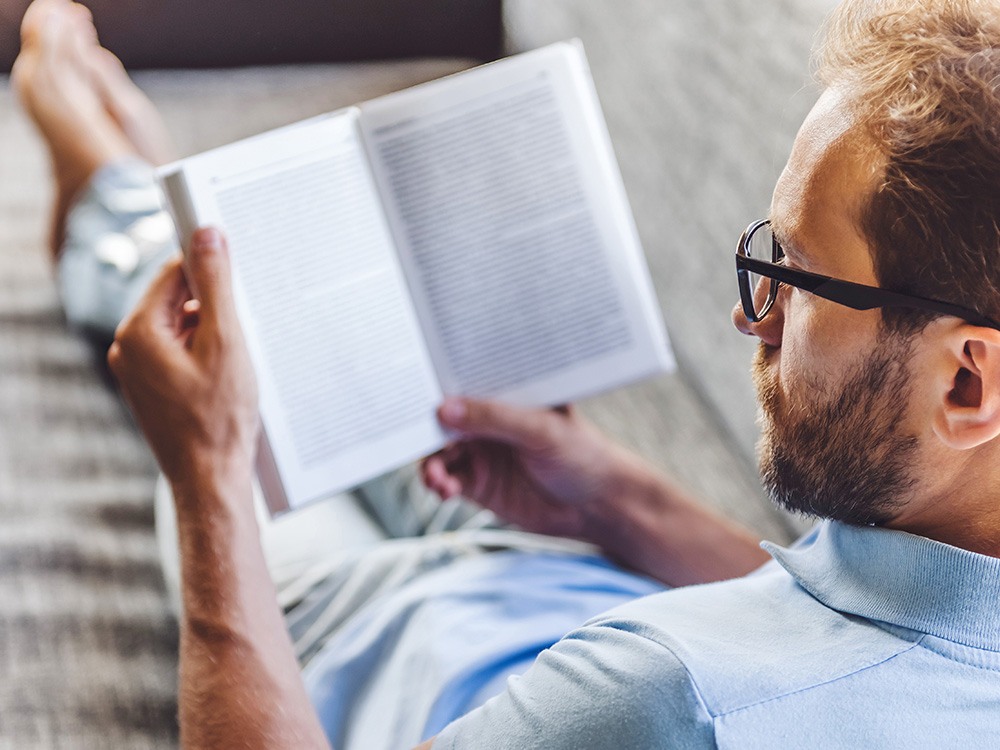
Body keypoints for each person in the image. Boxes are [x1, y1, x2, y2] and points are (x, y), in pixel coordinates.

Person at [12, 0, 1000, 746]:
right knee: (352, 359)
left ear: (968, 382)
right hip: (576, 570)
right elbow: (843, 618)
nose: (751, 316)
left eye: (792, 275)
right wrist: (606, 500)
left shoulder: (664, 699)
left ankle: (115, 192)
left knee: (218, 363)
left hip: (371, 634)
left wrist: (210, 483)